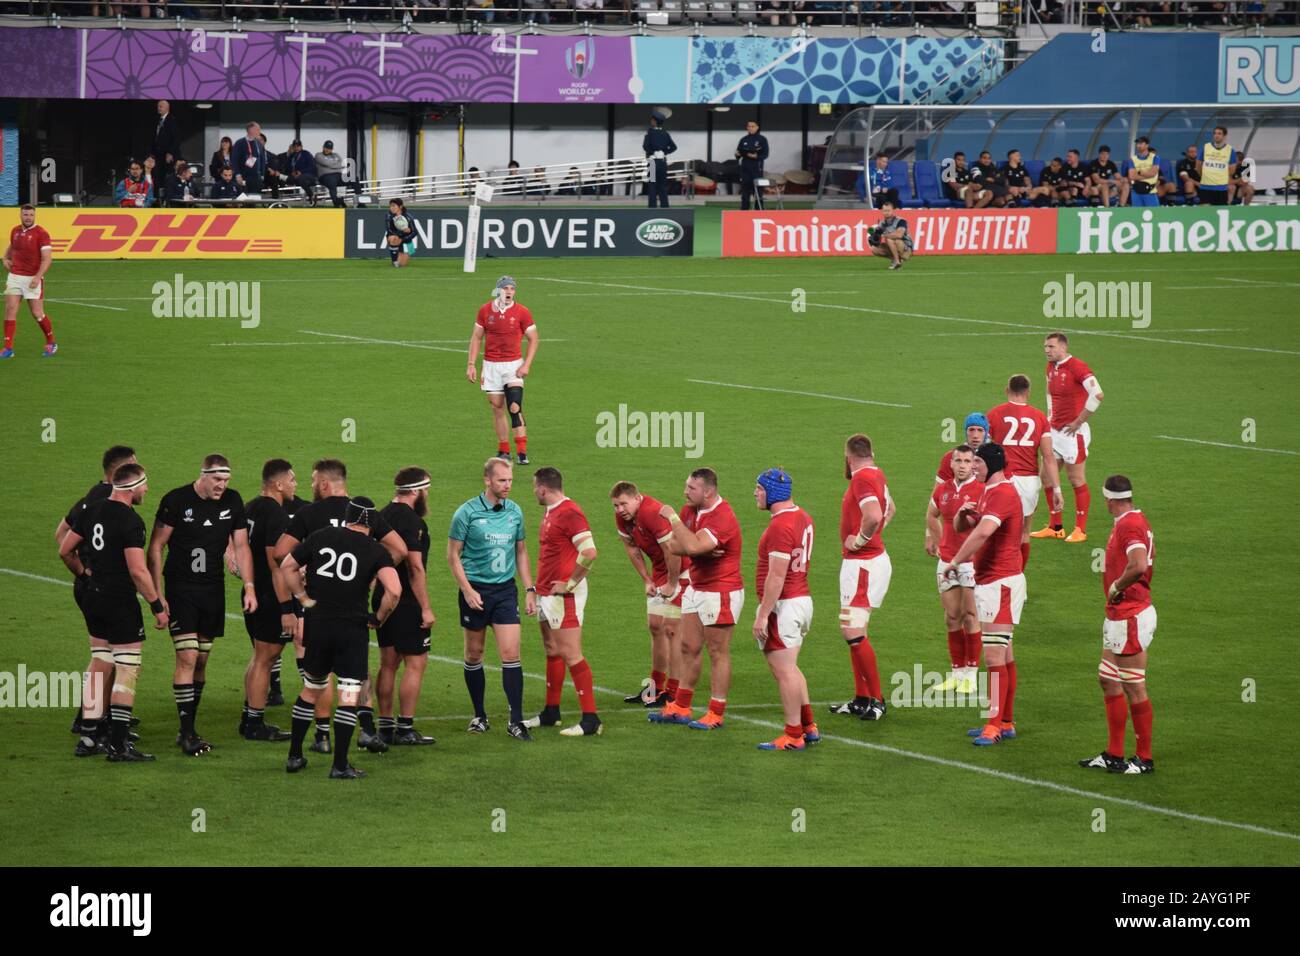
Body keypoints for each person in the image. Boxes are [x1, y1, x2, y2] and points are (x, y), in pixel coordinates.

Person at [272, 458, 408, 755]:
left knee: (315, 682)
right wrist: (371, 574)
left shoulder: (311, 515)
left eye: (312, 481)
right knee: (353, 677)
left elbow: (282, 554)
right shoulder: (368, 516)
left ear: (323, 483)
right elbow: (399, 550)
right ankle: (364, 734)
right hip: (353, 617)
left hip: (316, 612)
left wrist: (304, 588)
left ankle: (319, 738)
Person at [59, 462, 169, 762]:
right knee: (127, 667)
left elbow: (64, 550)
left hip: (93, 597)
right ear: (132, 487)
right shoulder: (131, 521)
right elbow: (137, 570)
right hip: (119, 600)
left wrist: (84, 575)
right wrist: (157, 605)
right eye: (144, 485)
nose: (146, 490)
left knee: (100, 661)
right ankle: (119, 745)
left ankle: (88, 736)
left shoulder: (90, 510)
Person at [148, 455, 256, 756]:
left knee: (202, 661)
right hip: (181, 588)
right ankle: (186, 733)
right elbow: (156, 547)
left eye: (226, 481)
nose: (222, 486)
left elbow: (242, 546)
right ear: (203, 475)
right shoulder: (176, 500)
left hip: (213, 589)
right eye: (217, 480)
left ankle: (189, 726)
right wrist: (158, 594)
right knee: (187, 657)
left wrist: (249, 587)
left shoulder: (233, 502)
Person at [447, 457, 537, 740]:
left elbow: (521, 551)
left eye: (510, 480)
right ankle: (479, 715)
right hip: (475, 591)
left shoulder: (515, 512)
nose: (508, 485)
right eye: (502, 480)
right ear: (487, 480)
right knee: (474, 654)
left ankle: (516, 721)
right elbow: (453, 556)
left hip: (504, 592)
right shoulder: (467, 513)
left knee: (511, 655)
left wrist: (529, 589)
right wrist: (467, 590)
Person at [942, 443, 1024, 747]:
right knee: (1005, 654)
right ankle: (1005, 721)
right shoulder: (991, 490)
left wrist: (954, 561)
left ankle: (994, 725)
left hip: (1000, 583)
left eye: (977, 461)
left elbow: (982, 533)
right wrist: (963, 516)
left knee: (993, 657)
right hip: (994, 581)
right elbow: (967, 526)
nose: (974, 466)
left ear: (990, 463)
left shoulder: (1001, 492)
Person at [650, 468, 744, 730]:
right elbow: (675, 547)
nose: (685, 492)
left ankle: (716, 713)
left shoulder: (722, 516)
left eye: (691, 488)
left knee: (717, 652)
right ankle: (681, 706)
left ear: (708, 491)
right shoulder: (690, 510)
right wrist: (697, 547)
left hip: (721, 591)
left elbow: (689, 547)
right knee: (688, 646)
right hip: (696, 586)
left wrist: (673, 520)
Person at [57, 445, 139, 743]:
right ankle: (95, 722)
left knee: (104, 658)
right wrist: (88, 571)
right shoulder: (111, 501)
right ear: (121, 472)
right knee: (109, 660)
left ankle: (93, 719)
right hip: (104, 589)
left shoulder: (91, 497)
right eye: (134, 466)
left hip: (90, 586)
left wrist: (83, 570)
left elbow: (60, 535)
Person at [1078, 475, 1156, 775]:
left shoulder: (1129, 525)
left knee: (1134, 686)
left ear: (1108, 499)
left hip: (1130, 615)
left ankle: (1144, 758)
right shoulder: (1130, 520)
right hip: (1119, 616)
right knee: (1108, 679)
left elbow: (1138, 565)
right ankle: (1114, 753)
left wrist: (1116, 587)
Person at [524, 467, 602, 737]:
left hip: (563, 596)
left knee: (571, 653)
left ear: (543, 488)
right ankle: (551, 712)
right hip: (547, 593)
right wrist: (534, 589)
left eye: (535, 487)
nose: (534, 491)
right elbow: (549, 555)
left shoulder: (569, 513)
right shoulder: (551, 512)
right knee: (552, 650)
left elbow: (590, 552)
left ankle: (591, 720)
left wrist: (570, 583)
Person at [751, 469, 819, 752]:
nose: (755, 493)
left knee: (784, 671)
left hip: (785, 605)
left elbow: (777, 575)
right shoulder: (802, 516)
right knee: (791, 668)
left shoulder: (780, 526)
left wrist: (763, 614)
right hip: (802, 600)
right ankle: (809, 726)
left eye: (758, 488)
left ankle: (793, 734)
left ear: (771, 492)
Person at [829, 433, 894, 721]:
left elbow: (875, 514)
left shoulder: (861, 479)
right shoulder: (876, 474)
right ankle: (861, 698)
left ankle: (877, 700)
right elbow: (890, 509)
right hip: (865, 564)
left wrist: (862, 539)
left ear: (848, 457)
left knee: (852, 632)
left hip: (863, 566)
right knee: (856, 632)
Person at [374, 467, 437, 747]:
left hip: (381, 596)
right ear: (416, 491)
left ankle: (385, 727)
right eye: (426, 491)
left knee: (388, 663)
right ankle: (405, 728)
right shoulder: (412, 521)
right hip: (406, 600)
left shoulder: (382, 514)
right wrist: (425, 607)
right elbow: (415, 568)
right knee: (416, 662)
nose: (427, 496)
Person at [238, 459, 299, 743]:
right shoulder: (275, 514)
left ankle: (249, 717)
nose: (294, 485)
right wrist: (287, 608)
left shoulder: (250, 507)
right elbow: (276, 564)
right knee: (266, 658)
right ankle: (255, 724)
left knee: (260, 658)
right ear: (278, 484)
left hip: (253, 593)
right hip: (269, 596)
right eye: (292, 480)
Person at [610, 480, 686, 708]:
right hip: (660, 573)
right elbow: (631, 547)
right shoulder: (624, 518)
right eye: (615, 505)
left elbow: (672, 551)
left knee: (672, 630)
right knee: (655, 627)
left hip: (682, 571)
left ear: (636, 498)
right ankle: (655, 687)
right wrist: (647, 579)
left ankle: (672, 692)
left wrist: (672, 584)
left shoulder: (652, 513)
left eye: (623, 504)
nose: (619, 510)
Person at [1032, 332, 1103, 543]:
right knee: (1046, 478)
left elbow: (1097, 394)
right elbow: (1049, 393)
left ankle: (1080, 529)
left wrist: (1079, 421)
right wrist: (1049, 417)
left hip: (1074, 434)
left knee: (1076, 479)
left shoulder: (1077, 367)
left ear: (1063, 348)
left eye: (1051, 347)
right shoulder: (1051, 368)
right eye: (1045, 346)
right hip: (1054, 431)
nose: (1047, 350)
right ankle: (1056, 527)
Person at [986, 374, 1062, 570]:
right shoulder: (1039, 417)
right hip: (1028, 481)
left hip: (1002, 480)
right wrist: (1057, 489)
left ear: (1007, 390)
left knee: (995, 529)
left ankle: (997, 573)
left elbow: (984, 451)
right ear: (1028, 392)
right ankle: (1017, 577)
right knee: (1023, 532)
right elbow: (1048, 457)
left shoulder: (994, 414)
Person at [925, 445, 984, 695]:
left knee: (970, 615)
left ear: (974, 465)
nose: (961, 465)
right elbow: (931, 514)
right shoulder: (943, 490)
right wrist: (938, 540)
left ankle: (971, 674)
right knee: (952, 617)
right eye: (957, 460)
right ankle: (956, 673)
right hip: (947, 559)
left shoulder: (981, 491)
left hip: (971, 561)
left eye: (966, 461)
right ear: (951, 464)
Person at [466, 276, 538, 464]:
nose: (509, 292)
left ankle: (522, 452)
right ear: (498, 290)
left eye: (512, 289)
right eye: (505, 288)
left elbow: (534, 339)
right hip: (491, 366)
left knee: (514, 407)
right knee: (497, 407)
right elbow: (476, 337)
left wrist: (526, 364)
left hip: (513, 365)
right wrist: (471, 364)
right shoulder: (484, 311)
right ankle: (504, 449)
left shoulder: (522, 312)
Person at [2, 204, 57, 359]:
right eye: (25, 215)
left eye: (31, 215)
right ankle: (8, 348)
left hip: (32, 277)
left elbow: (47, 259)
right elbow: (13, 246)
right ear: (20, 215)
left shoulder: (42, 233)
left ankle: (51, 342)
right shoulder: (15, 230)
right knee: (10, 309)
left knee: (37, 313)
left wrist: (38, 277)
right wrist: (5, 258)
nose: (28, 217)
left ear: (34, 216)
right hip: (15, 276)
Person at [934, 413, 987, 484]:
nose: (975, 435)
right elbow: (938, 491)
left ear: (986, 433)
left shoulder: (994, 458)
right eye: (971, 430)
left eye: (980, 430)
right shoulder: (951, 457)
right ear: (966, 432)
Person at [1195, 125, 1237, 206]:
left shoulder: (1230, 150)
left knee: (1219, 213)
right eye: (1215, 133)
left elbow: (1231, 170)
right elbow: (1198, 165)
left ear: (1224, 136)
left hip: (1221, 188)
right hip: (1205, 187)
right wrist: (1204, 175)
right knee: (1204, 214)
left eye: (1219, 133)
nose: (1216, 135)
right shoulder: (1206, 147)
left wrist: (1220, 176)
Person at [643, 111, 677, 209]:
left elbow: (645, 146)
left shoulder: (650, 133)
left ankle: (652, 207)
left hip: (652, 162)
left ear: (655, 121)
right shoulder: (665, 134)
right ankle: (665, 207)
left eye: (652, 120)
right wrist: (664, 152)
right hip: (662, 162)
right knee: (662, 185)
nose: (651, 121)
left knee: (652, 185)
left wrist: (653, 152)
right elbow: (674, 147)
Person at [868, 199, 912, 270]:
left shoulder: (901, 221)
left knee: (889, 238)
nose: (887, 213)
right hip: (894, 247)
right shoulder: (882, 223)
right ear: (882, 211)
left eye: (888, 210)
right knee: (874, 249)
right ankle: (896, 260)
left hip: (905, 249)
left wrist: (884, 235)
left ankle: (897, 262)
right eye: (885, 211)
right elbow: (877, 236)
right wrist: (873, 237)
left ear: (892, 211)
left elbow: (899, 235)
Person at [736, 119, 769, 211]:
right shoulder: (743, 139)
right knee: (745, 192)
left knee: (758, 191)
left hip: (756, 169)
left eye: (752, 126)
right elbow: (738, 152)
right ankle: (744, 210)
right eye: (748, 126)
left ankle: (759, 210)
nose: (750, 128)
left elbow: (765, 154)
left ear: (757, 127)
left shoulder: (762, 139)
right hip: (745, 169)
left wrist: (756, 156)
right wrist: (737, 155)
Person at [1122, 137, 1160, 207]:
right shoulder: (1132, 159)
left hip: (1150, 191)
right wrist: (1146, 174)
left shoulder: (1155, 158)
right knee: (1137, 215)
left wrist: (1139, 172)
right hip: (1136, 191)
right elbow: (1132, 176)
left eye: (1141, 143)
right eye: (1137, 144)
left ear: (1147, 145)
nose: (1138, 145)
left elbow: (1153, 173)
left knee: (1155, 214)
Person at [231, 122, 268, 193]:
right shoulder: (240, 143)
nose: (259, 132)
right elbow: (234, 160)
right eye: (258, 129)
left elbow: (262, 159)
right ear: (251, 130)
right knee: (244, 199)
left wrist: (262, 174)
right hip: (244, 176)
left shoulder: (259, 143)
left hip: (257, 177)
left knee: (255, 198)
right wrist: (237, 174)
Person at [150, 100, 181, 180]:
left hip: (168, 155)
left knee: (168, 176)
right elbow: (156, 138)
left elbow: (176, 138)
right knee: (158, 175)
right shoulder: (157, 120)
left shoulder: (172, 120)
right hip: (158, 154)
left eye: (161, 106)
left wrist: (170, 152)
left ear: (167, 108)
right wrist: (152, 153)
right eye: (158, 106)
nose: (158, 108)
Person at [315, 139, 348, 207]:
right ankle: (336, 202)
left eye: (329, 148)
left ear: (332, 149)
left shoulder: (336, 155)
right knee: (331, 180)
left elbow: (342, 164)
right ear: (323, 147)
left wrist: (331, 165)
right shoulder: (318, 155)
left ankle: (360, 202)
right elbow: (327, 163)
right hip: (325, 176)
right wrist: (336, 165)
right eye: (326, 147)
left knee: (354, 178)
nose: (327, 150)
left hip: (338, 176)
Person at [385, 198, 416, 268]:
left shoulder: (408, 217)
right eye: (390, 206)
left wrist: (404, 238)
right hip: (396, 237)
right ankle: (394, 261)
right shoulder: (389, 216)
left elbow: (415, 232)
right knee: (393, 238)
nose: (391, 208)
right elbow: (389, 230)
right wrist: (402, 232)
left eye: (393, 206)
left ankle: (399, 258)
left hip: (406, 240)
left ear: (400, 206)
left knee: (402, 264)